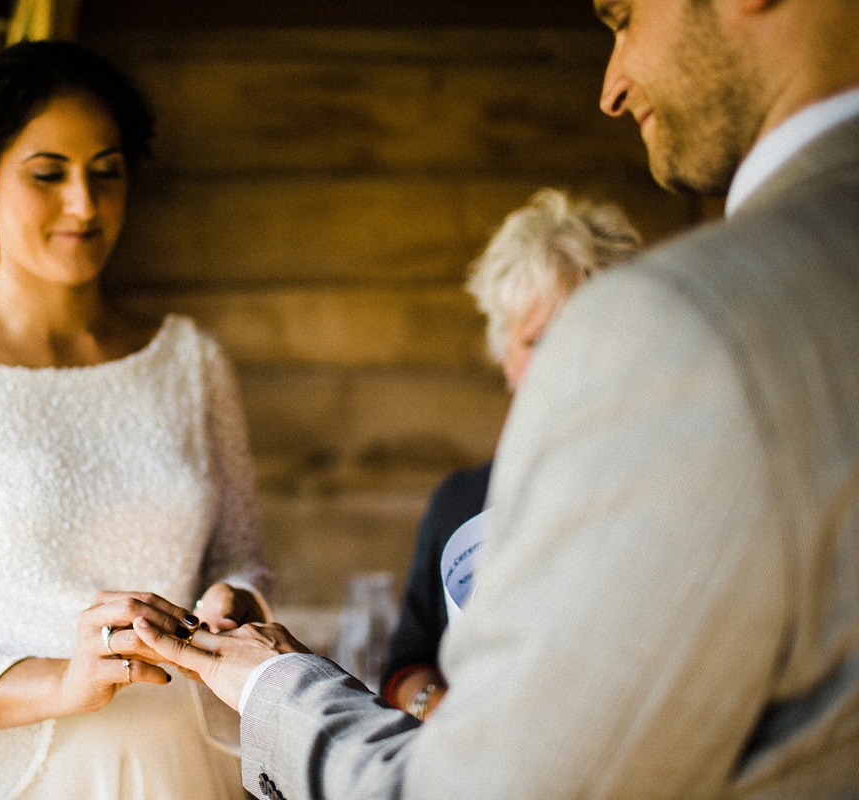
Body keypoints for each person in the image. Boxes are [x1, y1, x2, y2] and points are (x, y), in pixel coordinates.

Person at [134, 0, 859, 797]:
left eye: (621, 19)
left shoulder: (690, 322)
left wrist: (276, 686)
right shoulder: (467, 498)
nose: (610, 89)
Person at [0, 40, 271, 800]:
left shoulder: (191, 361)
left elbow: (242, 558)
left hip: (189, 764)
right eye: (48, 174)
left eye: (107, 172)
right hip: (17, 771)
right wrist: (65, 681)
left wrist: (235, 602)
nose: (84, 204)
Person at [382, 189, 641, 720]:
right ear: (506, 356)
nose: (564, 358)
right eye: (540, 339)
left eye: (586, 331)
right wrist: (441, 710)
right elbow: (406, 665)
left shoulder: (663, 486)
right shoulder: (459, 502)